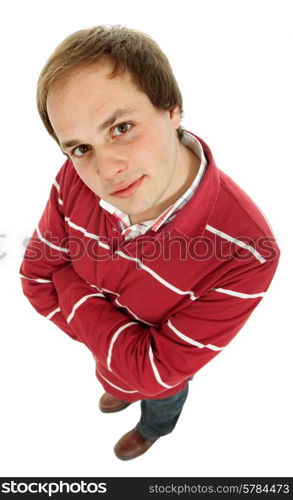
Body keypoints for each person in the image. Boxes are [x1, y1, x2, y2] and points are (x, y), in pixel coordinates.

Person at [19, 25, 280, 460]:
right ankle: (117, 387)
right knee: (121, 377)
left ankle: (154, 428)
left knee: (160, 398)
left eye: (121, 127)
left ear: (172, 110)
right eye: (81, 147)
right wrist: (121, 358)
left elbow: (158, 373)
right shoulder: (73, 179)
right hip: (115, 356)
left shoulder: (247, 252)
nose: (106, 170)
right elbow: (34, 280)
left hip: (158, 381)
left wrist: (73, 293)